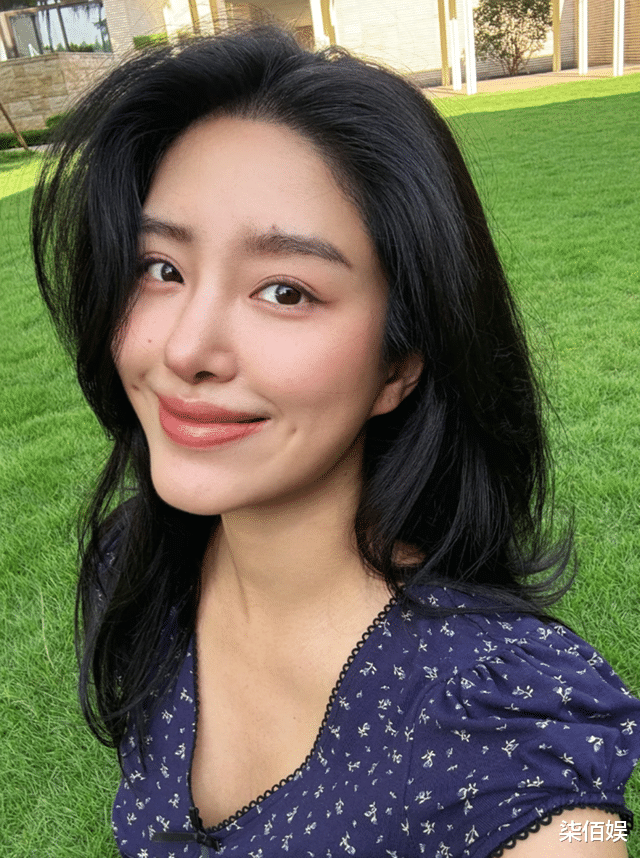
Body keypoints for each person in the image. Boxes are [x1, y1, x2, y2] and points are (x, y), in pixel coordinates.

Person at [31, 23, 640, 858]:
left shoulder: (493, 723)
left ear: (401, 362)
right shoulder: (139, 568)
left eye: (284, 290)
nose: (185, 349)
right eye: (161, 268)